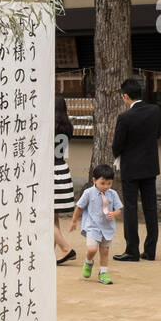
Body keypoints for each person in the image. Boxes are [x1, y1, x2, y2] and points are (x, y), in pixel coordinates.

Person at [110, 78, 161, 261]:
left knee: (131, 208)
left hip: (131, 167)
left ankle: (132, 250)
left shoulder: (125, 118)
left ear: (125, 96)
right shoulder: (155, 110)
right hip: (150, 165)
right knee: (150, 208)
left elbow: (117, 145)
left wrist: (119, 154)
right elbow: (158, 134)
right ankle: (150, 250)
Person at [70, 164, 124, 285]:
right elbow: (79, 207)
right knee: (92, 249)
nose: (106, 186)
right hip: (92, 226)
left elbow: (119, 208)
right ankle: (88, 261)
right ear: (94, 180)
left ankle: (103, 273)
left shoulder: (113, 194)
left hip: (107, 227)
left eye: (109, 183)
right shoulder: (88, 192)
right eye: (103, 183)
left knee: (105, 251)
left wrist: (114, 214)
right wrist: (74, 220)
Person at [53, 95, 76, 264]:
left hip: (50, 171)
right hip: (62, 168)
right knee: (54, 217)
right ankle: (49, 252)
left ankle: (66, 249)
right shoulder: (68, 127)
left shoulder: (47, 127)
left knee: (45, 217)